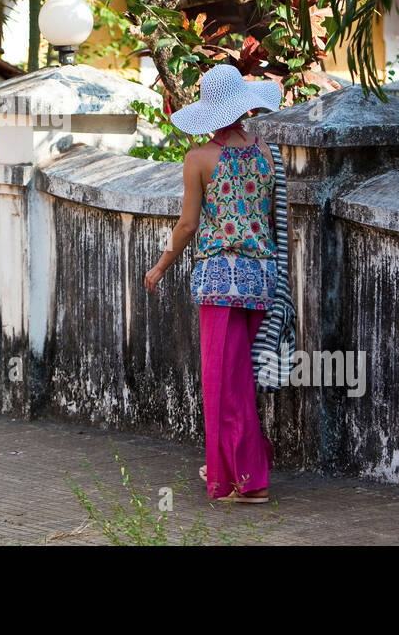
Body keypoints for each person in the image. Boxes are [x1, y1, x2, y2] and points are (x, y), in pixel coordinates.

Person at [144, 64, 281, 503]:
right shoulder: (267, 152)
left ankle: (242, 480)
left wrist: (161, 266)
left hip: (220, 278)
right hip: (261, 277)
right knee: (242, 380)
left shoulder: (199, 159)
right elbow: (277, 218)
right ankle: (234, 468)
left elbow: (187, 225)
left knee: (223, 380)